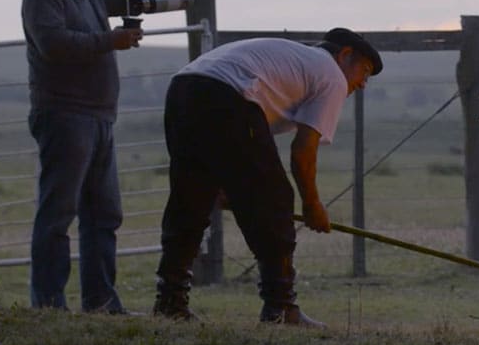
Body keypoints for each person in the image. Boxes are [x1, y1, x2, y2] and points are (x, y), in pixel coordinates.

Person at [152, 27, 383, 326]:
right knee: (276, 201)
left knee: (192, 198)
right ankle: (280, 307)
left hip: (184, 87)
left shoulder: (297, 63)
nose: (363, 83)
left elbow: (244, 147)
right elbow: (302, 152)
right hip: (226, 94)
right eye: (364, 71)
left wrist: (228, 183)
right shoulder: (331, 74)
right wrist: (312, 206)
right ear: (345, 55)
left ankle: (170, 301)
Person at [21, 0, 159, 312]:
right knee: (59, 212)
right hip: (64, 113)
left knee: (103, 212)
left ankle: (100, 300)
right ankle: (48, 302)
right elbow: (53, 45)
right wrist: (108, 41)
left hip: (99, 115)